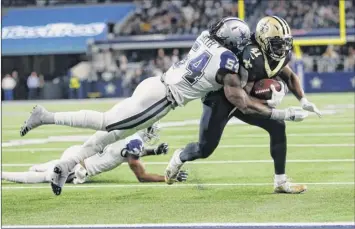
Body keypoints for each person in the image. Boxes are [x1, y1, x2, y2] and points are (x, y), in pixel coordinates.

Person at [20, 17, 307, 196]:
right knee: (108, 124)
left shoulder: (205, 38)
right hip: (163, 98)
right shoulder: (228, 62)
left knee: (111, 136)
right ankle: (46, 116)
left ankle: (65, 165)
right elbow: (239, 98)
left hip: (155, 84)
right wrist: (282, 112)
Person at [165, 16, 321, 193]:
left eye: (285, 43)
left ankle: (280, 182)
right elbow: (243, 100)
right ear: (263, 40)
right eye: (277, 44)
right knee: (205, 149)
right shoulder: (250, 55)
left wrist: (303, 100)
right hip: (221, 98)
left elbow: (289, 76)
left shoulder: (275, 54)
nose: (282, 49)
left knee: (277, 126)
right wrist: (279, 109)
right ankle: (180, 157)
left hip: (244, 96)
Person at [5, 125, 188, 186]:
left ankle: (38, 166)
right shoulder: (134, 144)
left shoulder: (126, 132)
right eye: (151, 130)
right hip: (78, 169)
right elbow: (141, 176)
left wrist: (154, 151)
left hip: (77, 153)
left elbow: (125, 152)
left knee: (44, 167)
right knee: (43, 178)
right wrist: (166, 177)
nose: (152, 134)